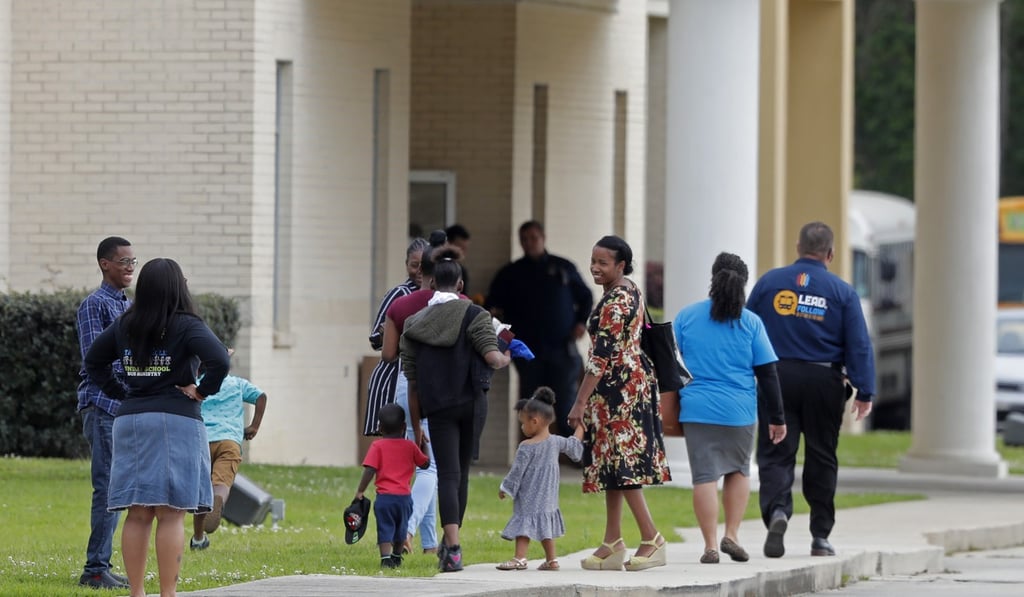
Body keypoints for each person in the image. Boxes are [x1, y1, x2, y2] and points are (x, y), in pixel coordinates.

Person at [84, 258, 231, 597]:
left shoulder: (125, 324)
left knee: (137, 513)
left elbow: (93, 361)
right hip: (175, 421)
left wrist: (123, 393)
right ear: (178, 286)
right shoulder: (186, 324)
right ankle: (167, 594)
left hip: (131, 420)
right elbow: (220, 360)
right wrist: (201, 390)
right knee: (170, 514)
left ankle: (137, 593)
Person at [747, 222, 875, 559]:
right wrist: (865, 390)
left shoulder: (769, 283)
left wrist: (745, 373)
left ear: (797, 246)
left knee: (776, 450)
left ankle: (777, 511)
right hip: (824, 381)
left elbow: (747, 329)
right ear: (830, 254)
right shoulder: (842, 292)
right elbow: (859, 344)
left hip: (777, 377)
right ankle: (820, 536)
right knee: (821, 455)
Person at [400, 245, 512, 572]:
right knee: (461, 473)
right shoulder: (476, 316)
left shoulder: (414, 323)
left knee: (446, 474)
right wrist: (508, 356)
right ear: (461, 286)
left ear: (432, 284)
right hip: (472, 403)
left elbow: (413, 379)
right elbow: (493, 358)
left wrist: (418, 427)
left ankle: (452, 546)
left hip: (437, 408)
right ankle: (452, 545)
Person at [672, 252, 787, 564]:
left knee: (704, 477)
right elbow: (767, 373)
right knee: (738, 470)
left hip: (696, 408)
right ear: (743, 283)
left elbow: (673, 361)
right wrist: (777, 418)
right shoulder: (751, 323)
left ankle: (710, 545)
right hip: (739, 411)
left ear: (713, 278)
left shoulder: (687, 316)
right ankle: (731, 534)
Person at [567, 235, 671, 572]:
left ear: (620, 265)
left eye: (603, 263)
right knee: (613, 467)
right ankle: (612, 543)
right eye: (593, 261)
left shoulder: (618, 301)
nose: (595, 268)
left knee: (623, 467)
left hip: (622, 394)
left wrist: (579, 403)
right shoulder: (626, 290)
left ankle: (652, 538)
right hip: (617, 390)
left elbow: (600, 358)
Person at [380, 232, 454, 555]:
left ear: (419, 271)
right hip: (441, 391)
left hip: (404, 385)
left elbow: (387, 355)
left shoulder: (400, 305)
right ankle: (406, 529)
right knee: (431, 467)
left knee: (421, 462)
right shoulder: (456, 304)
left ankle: (428, 543)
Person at [486, 220, 593, 437]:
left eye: (533, 238)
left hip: (562, 349)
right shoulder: (511, 273)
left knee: (565, 405)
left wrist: (581, 323)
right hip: (528, 352)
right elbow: (492, 309)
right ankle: (534, 454)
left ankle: (578, 456)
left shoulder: (563, 267)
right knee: (532, 408)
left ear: (543, 238)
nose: (529, 243)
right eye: (524, 239)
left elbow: (586, 296)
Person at [75, 236, 135, 590]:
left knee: (119, 488)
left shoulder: (127, 306)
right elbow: (95, 361)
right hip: (103, 406)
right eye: (124, 262)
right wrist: (127, 392)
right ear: (105, 264)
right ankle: (95, 570)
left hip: (124, 408)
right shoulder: (94, 305)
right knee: (107, 488)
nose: (130, 268)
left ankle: (103, 565)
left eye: (133, 262)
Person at [496, 387, 584, 572]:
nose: (522, 427)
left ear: (534, 421)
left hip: (529, 495)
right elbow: (575, 448)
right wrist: (581, 428)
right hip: (549, 496)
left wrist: (505, 488)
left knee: (523, 525)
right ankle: (552, 560)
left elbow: (516, 472)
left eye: (523, 423)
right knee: (546, 527)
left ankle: (520, 558)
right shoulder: (556, 441)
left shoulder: (526, 447)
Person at [189, 358, 268, 551]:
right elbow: (261, 396)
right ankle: (219, 501)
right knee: (221, 484)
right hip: (229, 442)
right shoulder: (236, 383)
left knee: (202, 492)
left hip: (201, 441)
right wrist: (254, 426)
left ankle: (198, 539)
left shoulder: (198, 385)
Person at [363, 237, 431, 436]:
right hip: (393, 378)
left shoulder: (439, 296)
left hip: (423, 378)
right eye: (413, 265)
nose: (418, 270)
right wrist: (389, 333)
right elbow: (375, 339)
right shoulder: (399, 294)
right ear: (406, 265)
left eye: (423, 265)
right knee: (393, 442)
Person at [354, 403, 431, 569]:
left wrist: (360, 490)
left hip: (385, 499)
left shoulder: (377, 446)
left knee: (385, 527)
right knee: (401, 528)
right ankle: (397, 556)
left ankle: (385, 559)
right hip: (404, 499)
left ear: (380, 427)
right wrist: (424, 445)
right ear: (403, 427)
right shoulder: (410, 446)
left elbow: (370, 470)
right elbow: (425, 464)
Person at [444, 223, 472, 295]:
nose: (461, 253)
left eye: (464, 250)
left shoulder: (462, 271)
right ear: (448, 244)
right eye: (460, 248)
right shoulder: (437, 268)